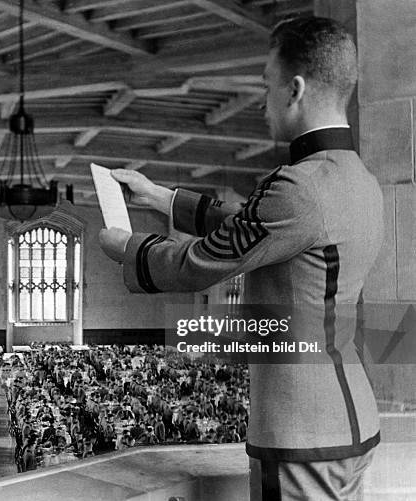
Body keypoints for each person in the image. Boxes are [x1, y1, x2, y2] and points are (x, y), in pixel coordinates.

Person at [99, 16, 382, 501]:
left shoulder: (300, 187)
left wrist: (127, 247)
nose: (261, 100)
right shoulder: (358, 180)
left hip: (300, 431)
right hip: (349, 423)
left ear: (294, 89)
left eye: (266, 85)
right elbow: (256, 228)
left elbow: (200, 263)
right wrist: (162, 198)